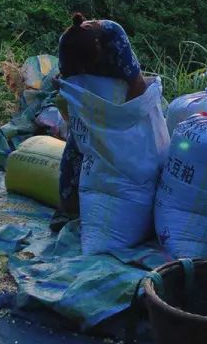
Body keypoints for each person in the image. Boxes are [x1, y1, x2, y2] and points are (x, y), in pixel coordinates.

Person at [53, 13, 145, 229]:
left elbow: (137, 85)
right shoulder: (68, 46)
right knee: (75, 151)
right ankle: (68, 208)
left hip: (117, 101)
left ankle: (119, 214)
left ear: (100, 48)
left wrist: (119, 121)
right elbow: (66, 82)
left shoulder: (114, 37)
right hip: (88, 105)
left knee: (120, 158)